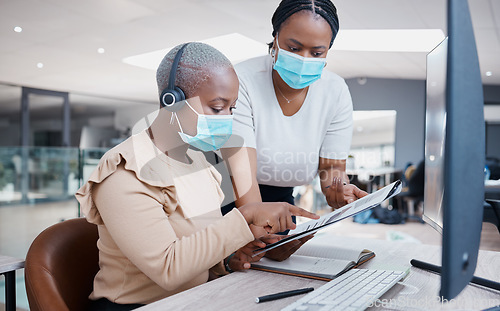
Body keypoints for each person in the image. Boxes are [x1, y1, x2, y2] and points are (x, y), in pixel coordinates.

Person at [75, 42, 318, 310]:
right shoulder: (122, 173)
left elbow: (197, 247)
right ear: (173, 101)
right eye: (217, 107)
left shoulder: (196, 161)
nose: (226, 118)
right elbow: (169, 269)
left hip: (192, 301)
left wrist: (226, 261)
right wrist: (245, 218)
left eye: (232, 109)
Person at [221, 0, 368, 260]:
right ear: (275, 38)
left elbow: (332, 169)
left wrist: (339, 189)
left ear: (327, 51)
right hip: (230, 194)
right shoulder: (241, 80)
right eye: (294, 47)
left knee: (275, 258)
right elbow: (242, 174)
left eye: (316, 52)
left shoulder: (335, 92)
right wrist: (262, 237)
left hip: (280, 197)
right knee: (231, 265)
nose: (303, 59)